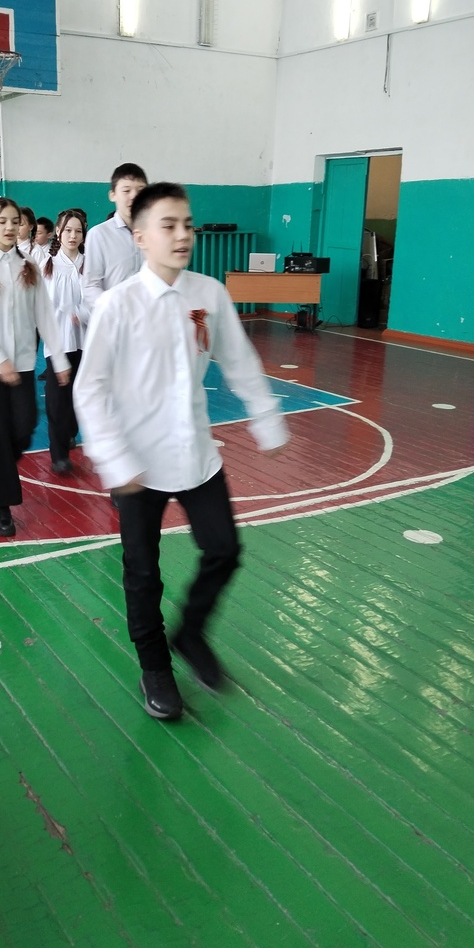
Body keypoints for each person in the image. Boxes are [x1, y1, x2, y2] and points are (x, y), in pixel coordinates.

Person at [74, 183, 288, 721]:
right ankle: (155, 668)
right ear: (140, 237)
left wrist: (266, 417)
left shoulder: (208, 294)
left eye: (187, 224)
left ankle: (191, 633)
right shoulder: (119, 304)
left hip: (195, 453)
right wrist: (113, 458)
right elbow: (89, 388)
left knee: (225, 550)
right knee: (143, 574)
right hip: (137, 464)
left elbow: (239, 359)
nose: (182, 235)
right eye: (168, 225)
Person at [0, 195, 70, 538]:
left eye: (15, 221)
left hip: (22, 366)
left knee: (24, 426)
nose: (10, 227)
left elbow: (44, 315)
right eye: (2, 221)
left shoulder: (29, 264)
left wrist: (59, 358)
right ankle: (1, 506)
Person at [41, 209, 89, 474]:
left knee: (81, 396)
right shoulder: (46, 266)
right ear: (58, 232)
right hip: (58, 343)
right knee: (57, 401)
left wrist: (82, 314)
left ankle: (70, 432)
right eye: (68, 230)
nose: (73, 235)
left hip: (88, 342)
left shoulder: (90, 266)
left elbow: (100, 301)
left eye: (78, 231)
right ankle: (58, 454)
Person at [83, 163, 147, 307]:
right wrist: (112, 309)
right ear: (112, 195)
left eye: (140, 190)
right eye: (126, 191)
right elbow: (91, 286)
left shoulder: (155, 233)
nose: (134, 196)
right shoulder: (99, 235)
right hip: (115, 316)